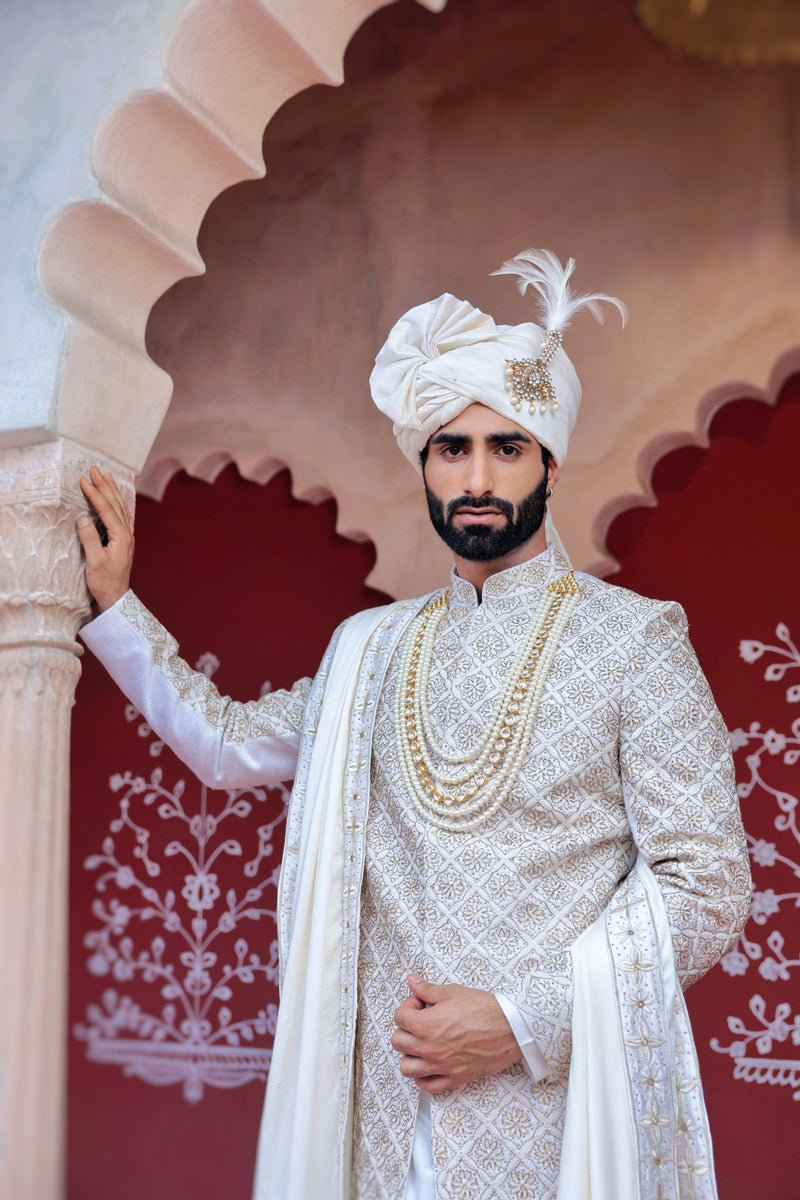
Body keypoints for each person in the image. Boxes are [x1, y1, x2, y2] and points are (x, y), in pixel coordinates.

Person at [76, 250, 750, 1200]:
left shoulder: (634, 642)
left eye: (506, 447)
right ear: (426, 466)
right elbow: (227, 744)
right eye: (451, 447)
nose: (477, 475)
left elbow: (708, 881)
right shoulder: (373, 652)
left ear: (549, 462)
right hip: (380, 1132)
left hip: (550, 1132)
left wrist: (522, 1020)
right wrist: (114, 610)